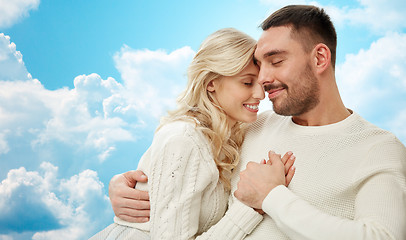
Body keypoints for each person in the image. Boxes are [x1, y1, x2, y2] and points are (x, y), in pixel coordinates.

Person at [108, 5, 406, 240]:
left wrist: (272, 198)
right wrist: (134, 189)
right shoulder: (250, 126)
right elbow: (183, 169)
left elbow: (382, 236)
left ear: (319, 59)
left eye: (276, 62)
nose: (263, 81)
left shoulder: (376, 148)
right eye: (258, 67)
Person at [89, 28, 296, 240]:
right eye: (247, 82)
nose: (260, 94)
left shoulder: (231, 136)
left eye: (261, 83)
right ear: (211, 83)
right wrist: (252, 207)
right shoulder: (184, 139)